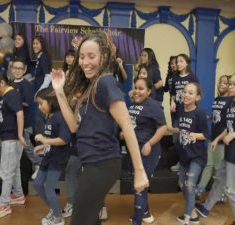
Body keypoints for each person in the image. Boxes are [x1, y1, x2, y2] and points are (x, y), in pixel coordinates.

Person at [51, 31, 149, 225]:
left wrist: (139, 170)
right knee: (89, 219)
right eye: (82, 56)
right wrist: (59, 91)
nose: (85, 62)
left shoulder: (105, 81)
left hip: (103, 164)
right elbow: (73, 126)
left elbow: (127, 126)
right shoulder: (91, 87)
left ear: (103, 57)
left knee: (79, 220)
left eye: (91, 56)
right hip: (92, 163)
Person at [195, 74, 235, 225]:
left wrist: (233, 135)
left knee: (231, 190)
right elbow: (229, 127)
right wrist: (217, 139)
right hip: (230, 152)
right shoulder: (231, 104)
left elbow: (232, 131)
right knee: (219, 180)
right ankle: (206, 207)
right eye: (229, 83)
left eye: (233, 84)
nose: (230, 86)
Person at [126, 78, 167, 225]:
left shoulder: (154, 106)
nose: (137, 91)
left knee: (140, 186)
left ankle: (137, 220)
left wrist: (150, 143)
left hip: (148, 152)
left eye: (141, 88)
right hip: (134, 151)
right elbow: (132, 125)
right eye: (135, 88)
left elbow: (163, 127)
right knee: (138, 183)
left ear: (149, 91)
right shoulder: (132, 105)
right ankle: (145, 212)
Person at [170, 82, 209, 225]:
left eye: (190, 93)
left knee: (190, 184)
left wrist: (194, 135)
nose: (186, 95)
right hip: (184, 156)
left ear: (197, 97)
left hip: (197, 157)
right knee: (182, 183)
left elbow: (206, 134)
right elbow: (181, 129)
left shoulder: (200, 113)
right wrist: (170, 129)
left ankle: (187, 218)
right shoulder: (180, 110)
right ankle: (192, 212)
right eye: (185, 92)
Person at [0, 71, 26, 219]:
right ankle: (18, 194)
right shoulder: (6, 96)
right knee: (14, 167)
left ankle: (4, 203)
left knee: (6, 171)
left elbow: (20, 114)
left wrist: (19, 134)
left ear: (2, 83)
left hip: (11, 138)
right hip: (7, 137)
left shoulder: (11, 95)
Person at [33, 87, 72, 225]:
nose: (39, 107)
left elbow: (64, 139)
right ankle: (55, 209)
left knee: (49, 189)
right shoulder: (49, 116)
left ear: (50, 101)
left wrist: (44, 140)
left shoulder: (60, 116)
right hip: (49, 156)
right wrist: (43, 146)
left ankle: (58, 218)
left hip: (58, 158)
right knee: (37, 184)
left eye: (41, 103)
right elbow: (52, 138)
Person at [11, 58, 41, 179]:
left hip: (25, 121)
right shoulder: (11, 83)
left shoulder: (26, 85)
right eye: (15, 68)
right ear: (12, 69)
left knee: (27, 146)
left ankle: (39, 164)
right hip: (13, 122)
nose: (17, 70)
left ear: (24, 70)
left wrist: (12, 101)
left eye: (20, 68)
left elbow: (28, 103)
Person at [170, 54, 199, 172]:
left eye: (181, 61)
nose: (178, 64)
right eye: (177, 62)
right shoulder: (175, 77)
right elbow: (172, 93)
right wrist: (172, 102)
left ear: (187, 63)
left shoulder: (192, 77)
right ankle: (180, 162)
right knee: (177, 139)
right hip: (177, 113)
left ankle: (188, 162)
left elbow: (196, 94)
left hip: (188, 114)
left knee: (187, 138)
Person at [32, 35, 52, 137]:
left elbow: (48, 76)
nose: (34, 46)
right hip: (39, 92)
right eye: (33, 43)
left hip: (42, 94)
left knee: (39, 119)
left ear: (42, 45)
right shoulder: (40, 57)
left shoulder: (43, 56)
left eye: (37, 43)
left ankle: (44, 145)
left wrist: (39, 93)